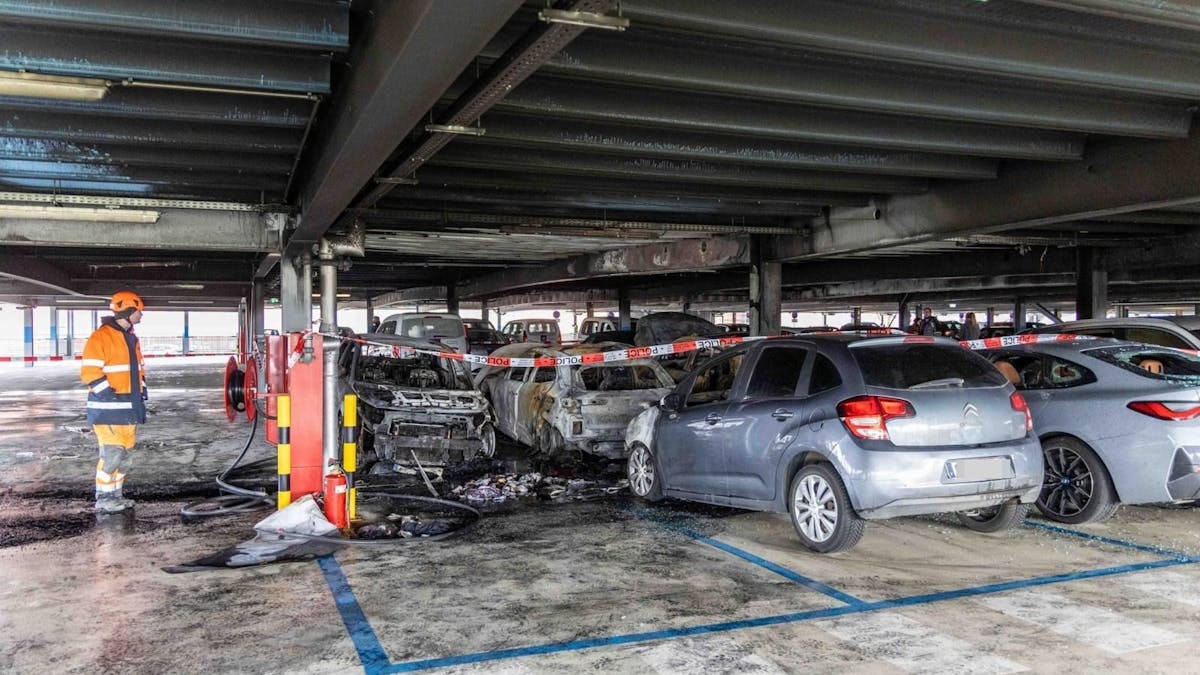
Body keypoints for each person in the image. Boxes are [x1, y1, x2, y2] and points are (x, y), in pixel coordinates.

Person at [81, 290, 147, 513]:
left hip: (129, 409)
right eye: (139, 311)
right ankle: (104, 498)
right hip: (109, 410)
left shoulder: (131, 338)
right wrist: (110, 394)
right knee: (111, 455)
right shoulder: (102, 337)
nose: (141, 315)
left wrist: (142, 393)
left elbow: (137, 371)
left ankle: (116, 495)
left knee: (125, 456)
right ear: (128, 311)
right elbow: (90, 372)